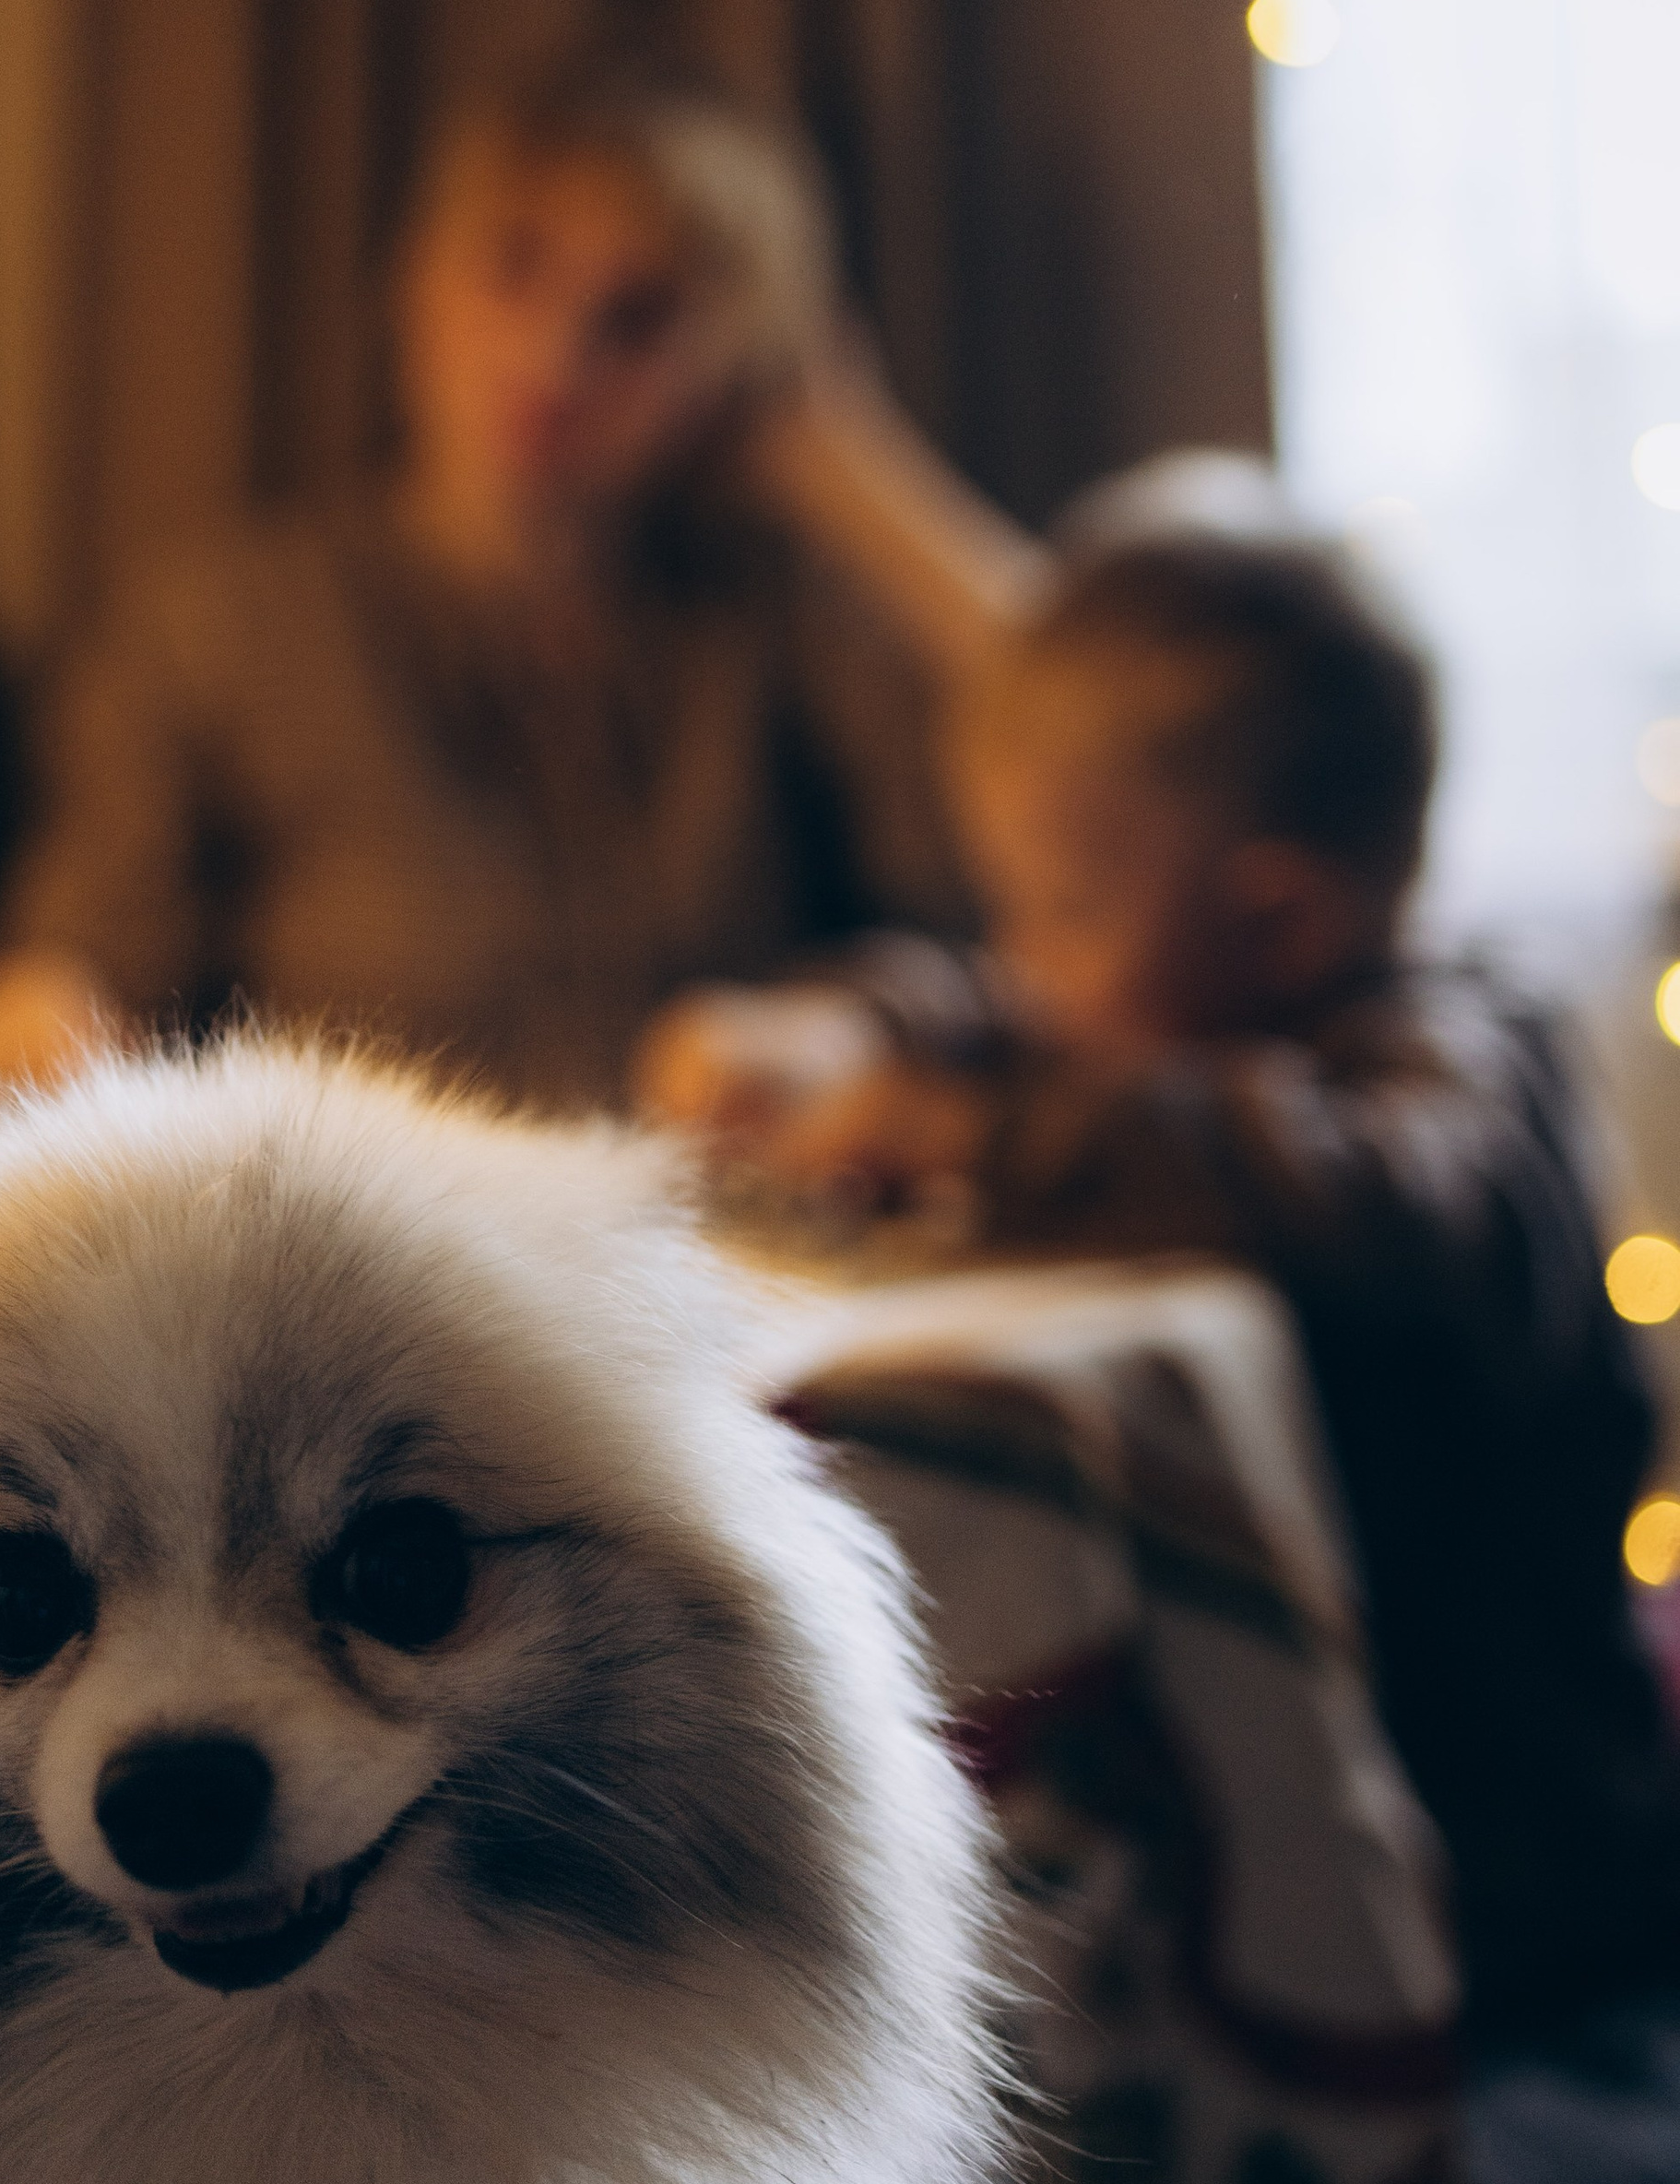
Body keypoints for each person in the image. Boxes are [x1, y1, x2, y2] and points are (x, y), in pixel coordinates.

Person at [644, 475, 1680, 2166]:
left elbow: (1378, 1204)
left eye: (1055, 910)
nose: (1016, 963)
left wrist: (978, 1126)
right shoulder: (1127, 1013)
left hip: (1510, 1878)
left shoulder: (1471, 1071)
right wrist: (832, 1036)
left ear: (1281, 919)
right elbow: (982, 1007)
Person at [0, 49, 1043, 1110]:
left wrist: (845, 460)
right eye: (514, 262)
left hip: (727, 1266)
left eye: (637, 319)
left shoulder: (767, 621)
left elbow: (1110, 766)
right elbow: (84, 960)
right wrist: (38, 1011)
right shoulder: (224, 625)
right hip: (378, 1278)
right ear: (414, 270)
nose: (556, 358)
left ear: (728, 364)